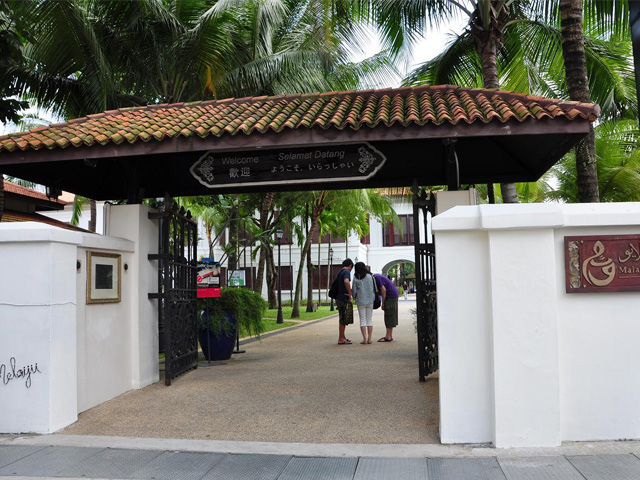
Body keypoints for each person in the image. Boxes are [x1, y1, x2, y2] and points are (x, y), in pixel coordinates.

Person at [351, 262, 375, 344]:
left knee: (362, 319)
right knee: (369, 319)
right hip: (370, 300)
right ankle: (370, 339)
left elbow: (354, 290)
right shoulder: (370, 276)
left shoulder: (356, 278)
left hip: (360, 300)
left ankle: (364, 339)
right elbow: (374, 288)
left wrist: (354, 297)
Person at [374, 273, 399, 342]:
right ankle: (389, 335)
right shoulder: (377, 276)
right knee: (390, 314)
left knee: (389, 315)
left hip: (390, 296)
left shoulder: (376, 278)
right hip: (393, 295)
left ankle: (388, 336)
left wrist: (383, 303)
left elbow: (383, 290)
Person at [335, 258, 354, 345]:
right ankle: (341, 338)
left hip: (339, 297)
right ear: (350, 266)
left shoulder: (340, 272)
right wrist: (350, 293)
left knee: (342, 318)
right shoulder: (346, 272)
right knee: (343, 318)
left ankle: (343, 337)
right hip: (343, 297)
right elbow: (346, 281)